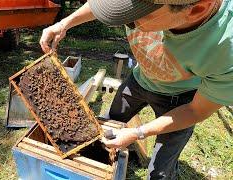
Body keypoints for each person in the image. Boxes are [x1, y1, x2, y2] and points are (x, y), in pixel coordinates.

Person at [40, 0, 233, 179]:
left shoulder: (226, 51)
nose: (125, 22)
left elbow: (195, 110)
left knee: (160, 173)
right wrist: (65, 23)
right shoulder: (166, 8)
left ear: (197, 9)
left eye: (133, 18)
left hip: (180, 100)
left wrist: (137, 133)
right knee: (108, 125)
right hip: (139, 81)